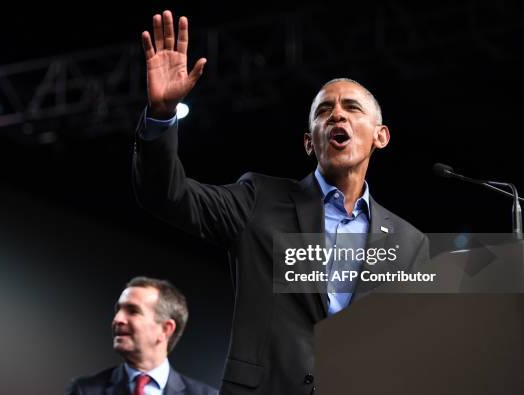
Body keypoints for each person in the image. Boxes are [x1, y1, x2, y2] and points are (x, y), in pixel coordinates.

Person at [132, 10, 429, 395]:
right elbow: (167, 196)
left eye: (352, 108)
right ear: (310, 142)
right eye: (324, 111)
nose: (337, 113)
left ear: (381, 136)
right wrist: (161, 115)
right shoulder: (259, 199)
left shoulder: (409, 243)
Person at [67, 276, 218, 395]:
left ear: (166, 329)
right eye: (118, 310)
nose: (117, 319)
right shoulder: (84, 390)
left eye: (133, 311)